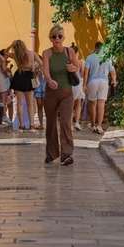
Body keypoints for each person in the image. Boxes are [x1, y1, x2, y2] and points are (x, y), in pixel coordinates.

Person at [42, 24, 80, 166]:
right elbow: (45, 70)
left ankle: (67, 154)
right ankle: (51, 154)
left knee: (65, 122)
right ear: (50, 38)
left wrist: (73, 68)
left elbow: (78, 65)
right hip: (51, 93)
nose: (57, 39)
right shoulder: (47, 53)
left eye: (59, 36)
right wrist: (49, 80)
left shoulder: (69, 52)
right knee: (51, 123)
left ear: (63, 38)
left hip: (66, 94)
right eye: (54, 36)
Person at [83, 41, 116, 135]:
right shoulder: (107, 57)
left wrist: (84, 85)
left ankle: (93, 124)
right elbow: (113, 71)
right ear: (102, 48)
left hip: (92, 82)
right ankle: (99, 126)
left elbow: (86, 73)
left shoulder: (89, 57)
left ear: (95, 48)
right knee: (101, 104)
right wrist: (114, 80)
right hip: (104, 82)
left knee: (92, 103)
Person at [7, 40, 41, 130]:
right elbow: (41, 63)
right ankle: (32, 124)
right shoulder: (32, 53)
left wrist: (11, 45)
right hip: (29, 76)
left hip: (19, 76)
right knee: (30, 103)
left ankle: (21, 125)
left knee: (19, 103)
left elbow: (5, 52)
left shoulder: (16, 55)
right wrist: (34, 67)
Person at [71, 44, 85, 131]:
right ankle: (77, 122)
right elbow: (83, 74)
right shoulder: (81, 62)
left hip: (70, 84)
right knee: (78, 104)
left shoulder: (68, 62)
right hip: (79, 83)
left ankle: (70, 124)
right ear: (77, 53)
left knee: (70, 104)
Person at [0, 49, 12, 122]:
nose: (7, 56)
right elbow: (4, 71)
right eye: (6, 55)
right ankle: (4, 116)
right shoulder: (2, 61)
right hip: (3, 80)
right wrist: (9, 74)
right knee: (3, 100)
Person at [33, 55, 46, 129]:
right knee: (39, 106)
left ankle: (49, 123)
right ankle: (41, 124)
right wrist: (35, 74)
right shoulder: (34, 69)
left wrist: (42, 73)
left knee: (47, 107)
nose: (36, 62)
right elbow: (33, 83)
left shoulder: (45, 67)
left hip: (45, 89)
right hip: (37, 89)